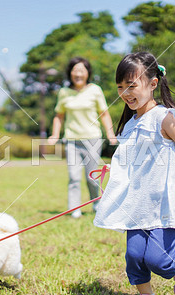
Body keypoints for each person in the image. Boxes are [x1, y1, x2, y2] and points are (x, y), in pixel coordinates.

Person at [93, 52, 175, 295]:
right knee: (133, 255)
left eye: (132, 85)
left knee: (157, 259)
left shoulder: (165, 118)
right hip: (137, 204)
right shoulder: (130, 124)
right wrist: (115, 169)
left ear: (152, 84)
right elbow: (132, 158)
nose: (125, 92)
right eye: (120, 87)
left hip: (165, 204)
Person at [48, 57, 117, 218]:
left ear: (87, 73)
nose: (78, 74)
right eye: (75, 70)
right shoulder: (64, 92)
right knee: (73, 176)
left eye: (81, 70)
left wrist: (110, 133)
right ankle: (74, 209)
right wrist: (55, 134)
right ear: (70, 73)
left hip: (92, 139)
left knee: (92, 177)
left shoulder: (95, 90)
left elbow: (104, 113)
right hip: (72, 139)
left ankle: (97, 204)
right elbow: (59, 116)